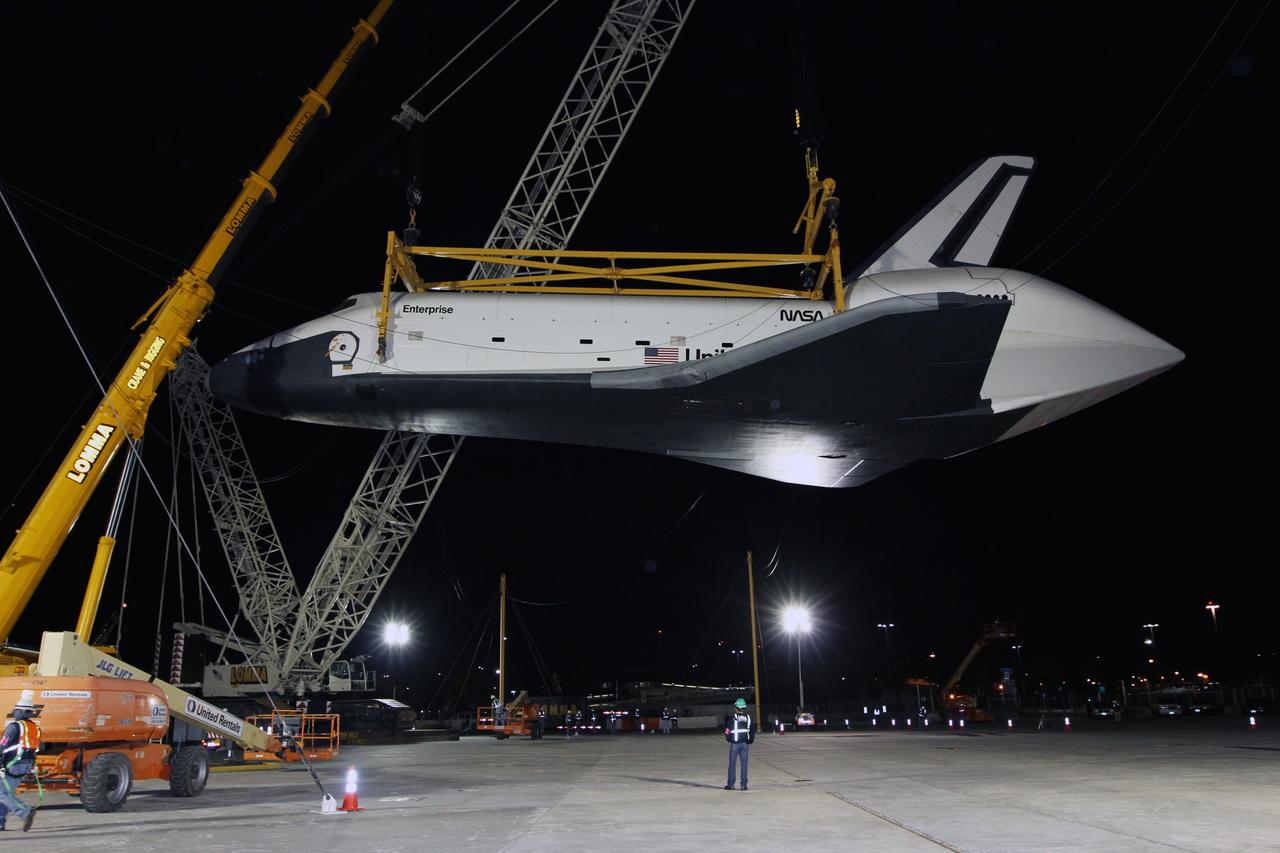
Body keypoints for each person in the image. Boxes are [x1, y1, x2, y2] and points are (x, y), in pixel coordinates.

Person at [0, 690, 42, 832]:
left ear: (21, 711)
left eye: (16, 710)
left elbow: (2, 745)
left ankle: (25, 812)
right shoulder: (34, 728)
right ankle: (0, 822)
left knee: (2, 794)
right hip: (25, 765)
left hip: (12, 765)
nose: (14, 713)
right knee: (6, 794)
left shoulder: (14, 727)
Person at [723, 697, 754, 791]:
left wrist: (729, 739)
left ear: (736, 707)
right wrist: (750, 741)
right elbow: (752, 731)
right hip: (745, 744)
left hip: (734, 744)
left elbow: (727, 731)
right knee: (744, 764)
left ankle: (731, 785)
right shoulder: (748, 718)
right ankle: (743, 785)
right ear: (744, 708)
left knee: (732, 764)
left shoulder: (732, 719)